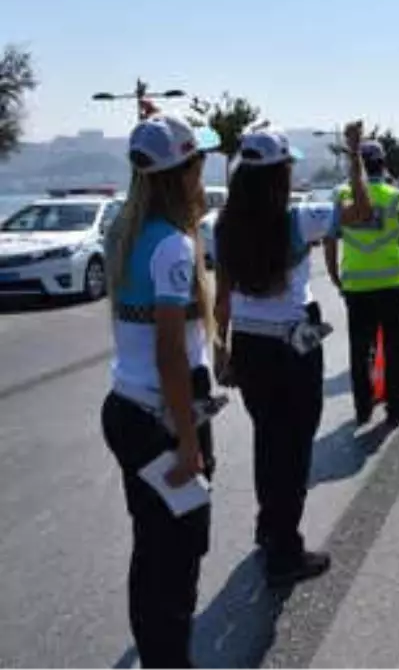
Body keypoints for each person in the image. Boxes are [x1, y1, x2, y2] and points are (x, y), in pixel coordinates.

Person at [212, 123, 372, 587]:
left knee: (268, 440)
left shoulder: (223, 225)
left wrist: (222, 351)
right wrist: (355, 156)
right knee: (295, 446)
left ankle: (270, 529)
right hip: (292, 346)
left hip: (250, 344)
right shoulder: (301, 218)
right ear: (281, 172)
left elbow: (221, 296)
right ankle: (285, 550)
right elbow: (361, 213)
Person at [102, 113, 220, 669]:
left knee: (151, 548)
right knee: (179, 552)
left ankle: (159, 657)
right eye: (198, 162)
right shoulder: (172, 246)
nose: (203, 173)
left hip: (125, 407)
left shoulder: (123, 233)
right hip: (163, 416)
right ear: (184, 171)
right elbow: (171, 353)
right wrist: (190, 443)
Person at [322, 139, 399, 425]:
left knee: (360, 350)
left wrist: (334, 274)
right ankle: (395, 408)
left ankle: (362, 408)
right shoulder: (396, 196)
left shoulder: (340, 195)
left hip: (357, 287)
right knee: (394, 347)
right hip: (393, 283)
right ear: (382, 163)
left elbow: (329, 237)